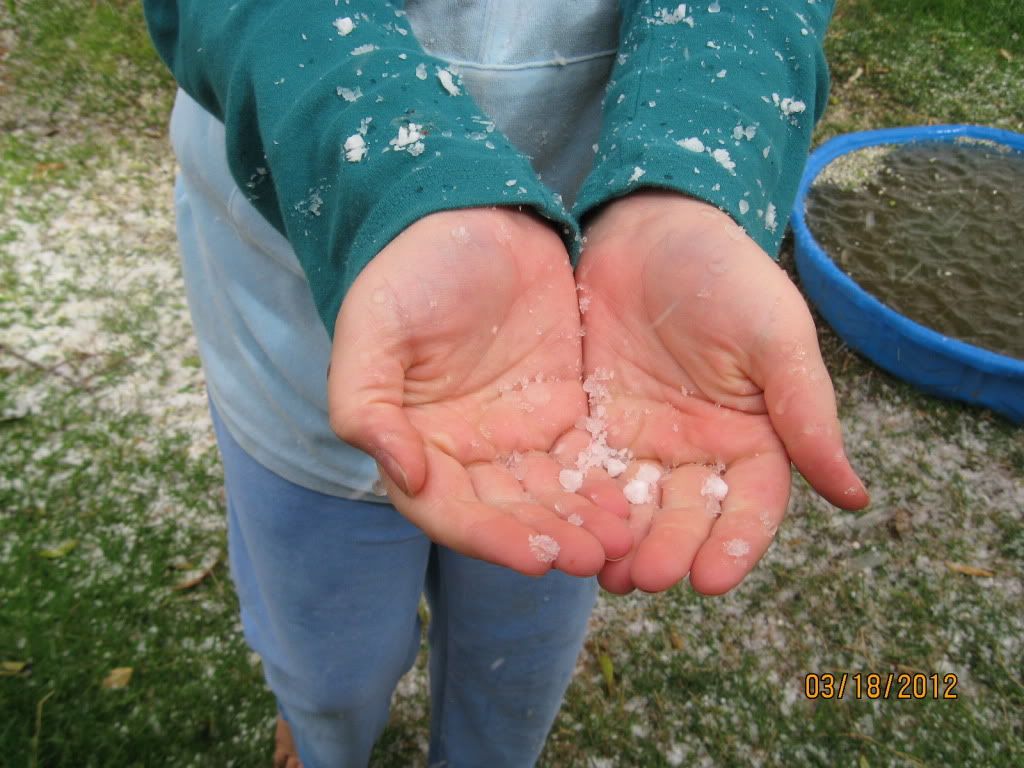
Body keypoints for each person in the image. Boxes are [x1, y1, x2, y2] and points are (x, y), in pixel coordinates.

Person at [143, 1, 868, 765]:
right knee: (329, 660)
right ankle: (322, 725)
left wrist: (689, 178)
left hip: (595, 360)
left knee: (518, 661)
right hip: (288, 303)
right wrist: (400, 181)